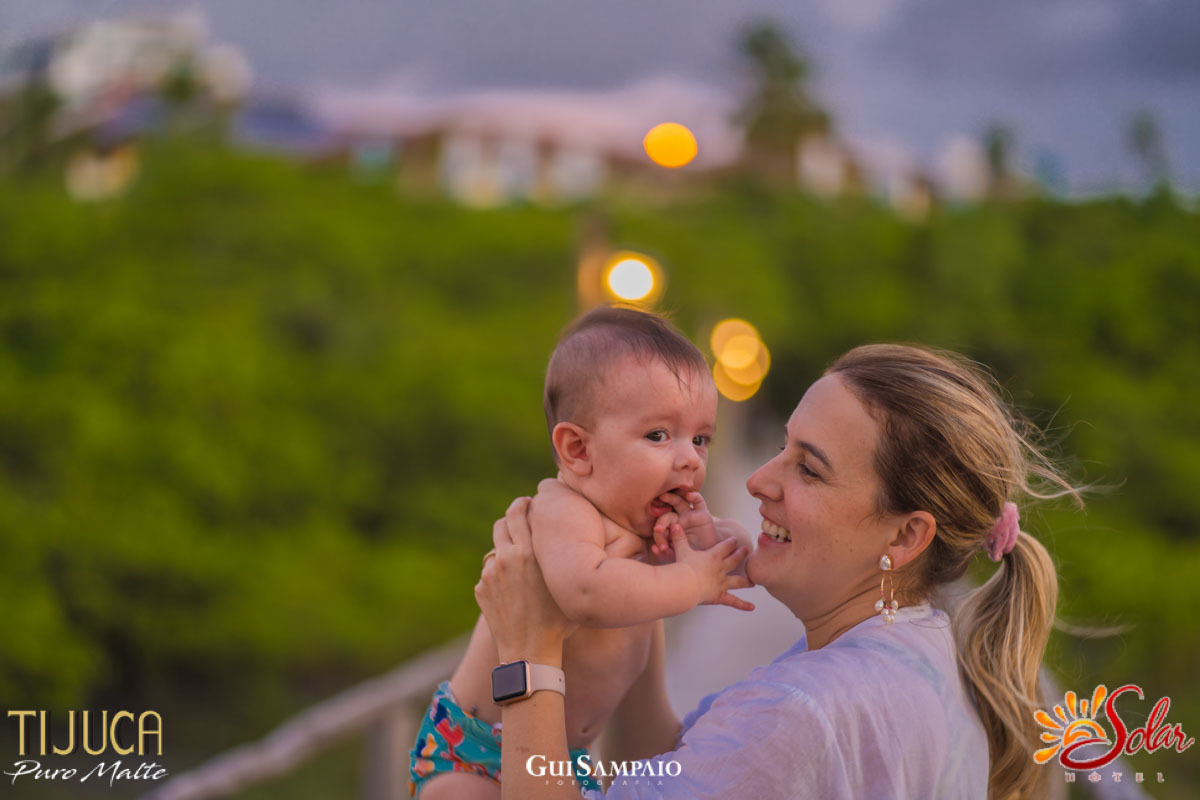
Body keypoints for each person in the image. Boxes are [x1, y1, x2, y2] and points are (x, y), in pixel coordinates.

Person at [475, 343, 1079, 799]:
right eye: (782, 446)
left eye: (808, 470)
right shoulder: (927, 650)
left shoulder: (801, 712)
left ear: (906, 535)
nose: (759, 480)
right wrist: (645, 597)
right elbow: (675, 773)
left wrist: (528, 653)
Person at [409, 307, 752, 799]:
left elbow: (723, 557)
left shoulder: (646, 526)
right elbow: (587, 592)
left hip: (562, 757)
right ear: (577, 451)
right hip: (476, 749)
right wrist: (694, 582)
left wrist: (718, 539)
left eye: (701, 439)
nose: (690, 458)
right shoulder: (563, 511)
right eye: (659, 435)